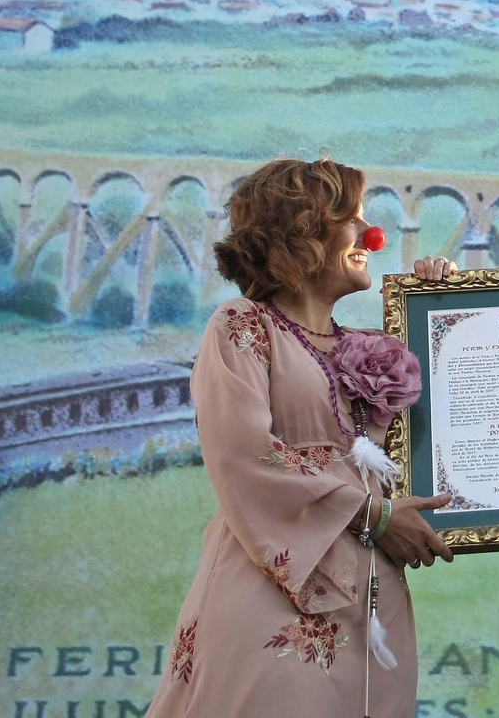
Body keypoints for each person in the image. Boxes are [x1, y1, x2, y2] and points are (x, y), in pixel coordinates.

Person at [149, 158, 456, 718]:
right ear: (303, 230)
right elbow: (245, 457)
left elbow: (442, 441)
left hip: (370, 606)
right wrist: (375, 517)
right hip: (274, 600)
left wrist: (445, 312)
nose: (372, 235)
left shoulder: (374, 347)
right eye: (353, 219)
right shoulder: (242, 324)